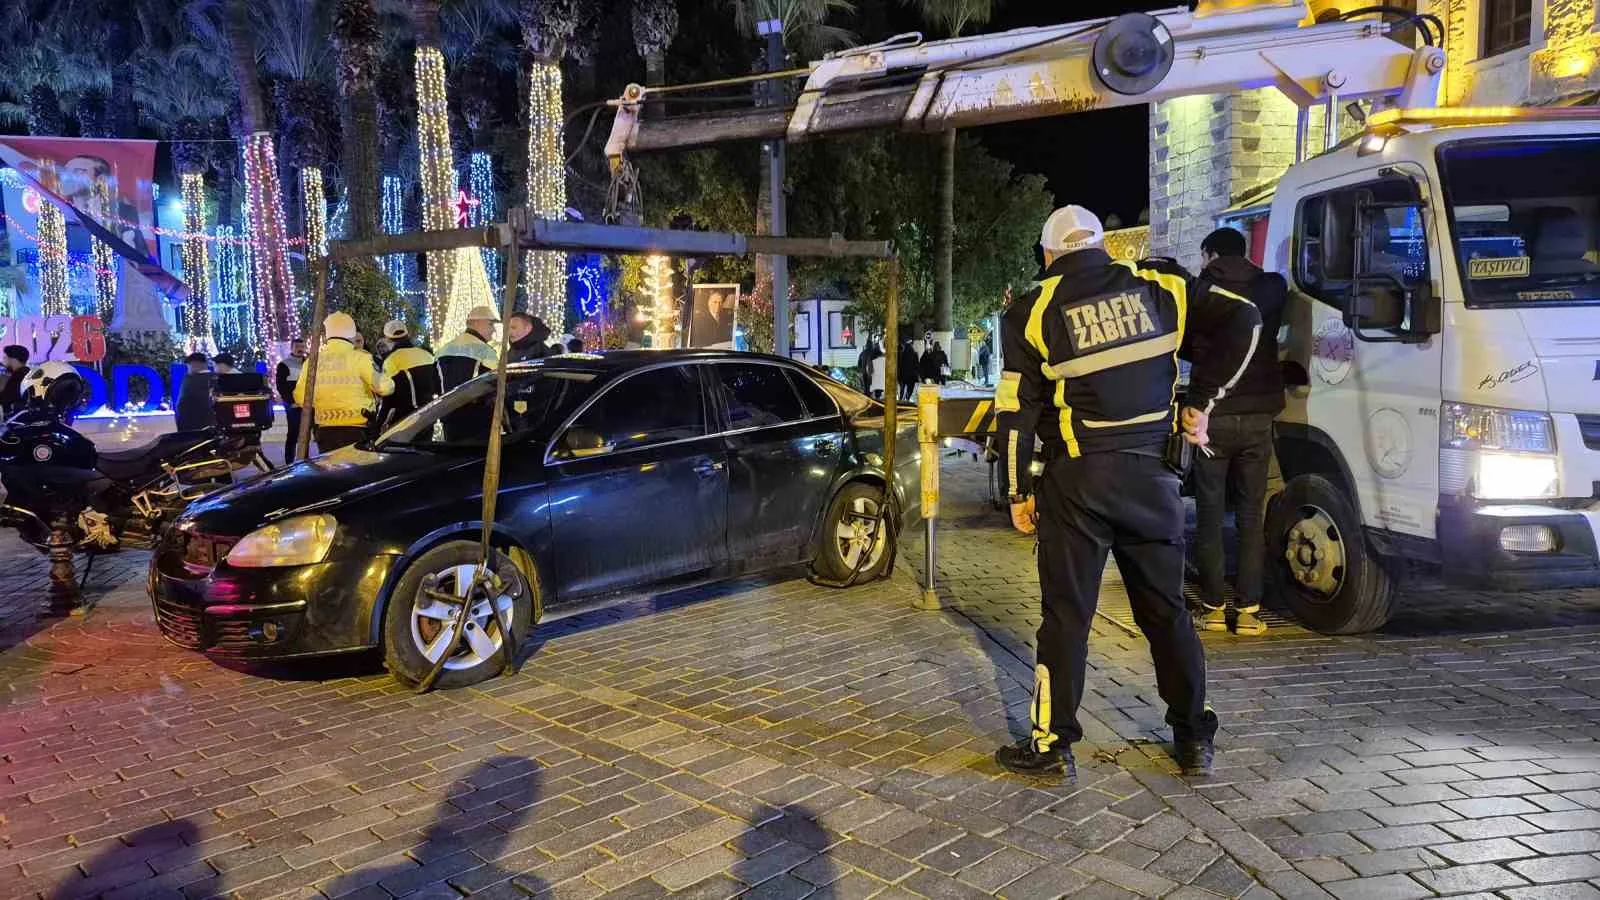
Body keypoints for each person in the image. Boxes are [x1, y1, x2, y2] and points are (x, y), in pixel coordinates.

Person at [993, 205, 1260, 780]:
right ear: (1104, 247)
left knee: (1066, 617)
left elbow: (1016, 410)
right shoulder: (1160, 286)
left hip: (1078, 482)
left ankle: (1051, 745)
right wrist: (1200, 401)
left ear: (1047, 255)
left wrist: (1017, 490)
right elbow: (1246, 321)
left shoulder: (1032, 310)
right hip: (1153, 479)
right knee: (1166, 613)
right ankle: (1192, 739)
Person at [1189, 227, 1288, 637]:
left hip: (1211, 415)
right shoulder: (1272, 287)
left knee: (1211, 513)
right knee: (1252, 513)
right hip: (1260, 413)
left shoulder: (1203, 290)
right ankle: (1249, 610)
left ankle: (1213, 607)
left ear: (1210, 255)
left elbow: (1188, 345)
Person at [294, 313, 394, 454]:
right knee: (356, 473)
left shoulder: (312, 361)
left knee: (331, 473)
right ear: (351, 333)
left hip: (325, 430)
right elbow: (385, 388)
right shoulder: (361, 358)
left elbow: (300, 397)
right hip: (357, 429)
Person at [276, 339, 307, 463]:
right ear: (292, 348)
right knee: (293, 432)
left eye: (302, 346)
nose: (300, 349)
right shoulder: (284, 364)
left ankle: (305, 459)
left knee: (306, 435)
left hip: (307, 403)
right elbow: (281, 386)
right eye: (297, 346)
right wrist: (291, 401)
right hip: (293, 404)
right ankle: (289, 461)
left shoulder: (308, 362)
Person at [175, 352, 216, 432]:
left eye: (188, 366)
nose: (188, 369)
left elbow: (181, 403)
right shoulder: (217, 377)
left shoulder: (190, 379)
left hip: (191, 426)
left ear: (194, 364)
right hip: (213, 425)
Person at [0, 345, 30, 415]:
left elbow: (4, 399)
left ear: (13, 360)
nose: (3, 361)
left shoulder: (18, 376)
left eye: (5, 358)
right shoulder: (27, 373)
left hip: (14, 418)